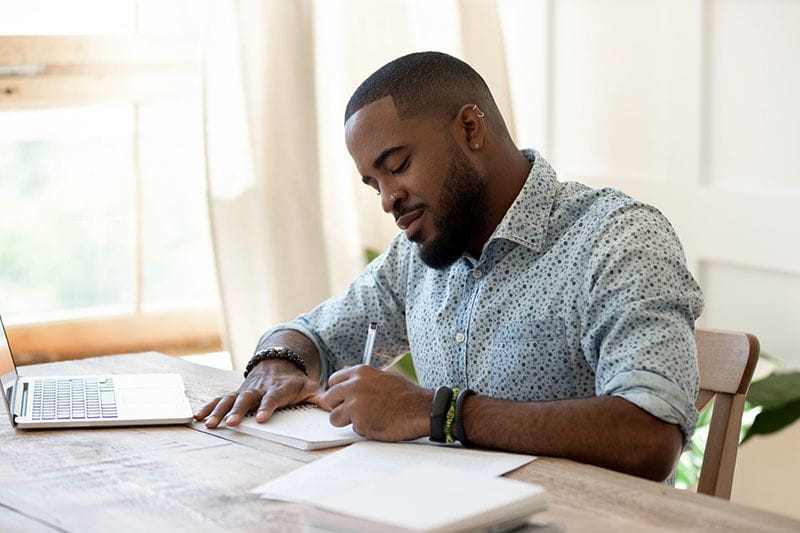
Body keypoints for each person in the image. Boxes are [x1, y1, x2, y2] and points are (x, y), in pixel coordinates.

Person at [195, 51, 703, 482]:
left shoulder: (618, 238)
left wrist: (434, 411)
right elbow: (314, 336)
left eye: (397, 166)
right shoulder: (417, 255)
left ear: (469, 127)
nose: (389, 199)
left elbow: (650, 436)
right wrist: (275, 366)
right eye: (374, 184)